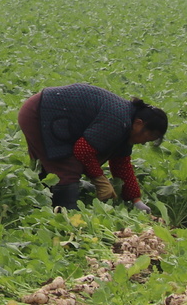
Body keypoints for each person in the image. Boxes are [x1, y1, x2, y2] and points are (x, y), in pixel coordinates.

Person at [18, 83, 166, 212]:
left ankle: (44, 208)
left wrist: (136, 200)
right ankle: (67, 215)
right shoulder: (118, 120)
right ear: (139, 123)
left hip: (50, 113)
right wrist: (99, 180)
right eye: (146, 138)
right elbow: (83, 150)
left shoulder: (126, 123)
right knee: (67, 167)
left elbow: (121, 163)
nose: (143, 143)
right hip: (39, 113)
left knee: (51, 170)